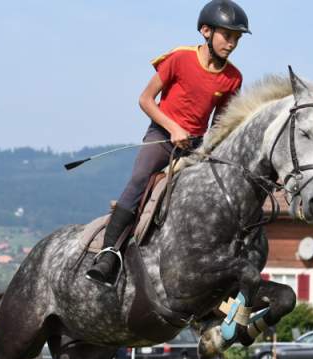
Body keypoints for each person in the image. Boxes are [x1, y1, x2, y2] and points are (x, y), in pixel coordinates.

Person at [86, 0, 250, 286]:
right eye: (228, 35)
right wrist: (173, 127)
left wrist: (212, 148)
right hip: (162, 135)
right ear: (206, 31)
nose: (232, 43)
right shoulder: (179, 58)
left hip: (197, 146)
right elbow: (145, 100)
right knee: (139, 179)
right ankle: (108, 254)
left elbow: (220, 124)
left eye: (237, 38)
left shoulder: (233, 78)